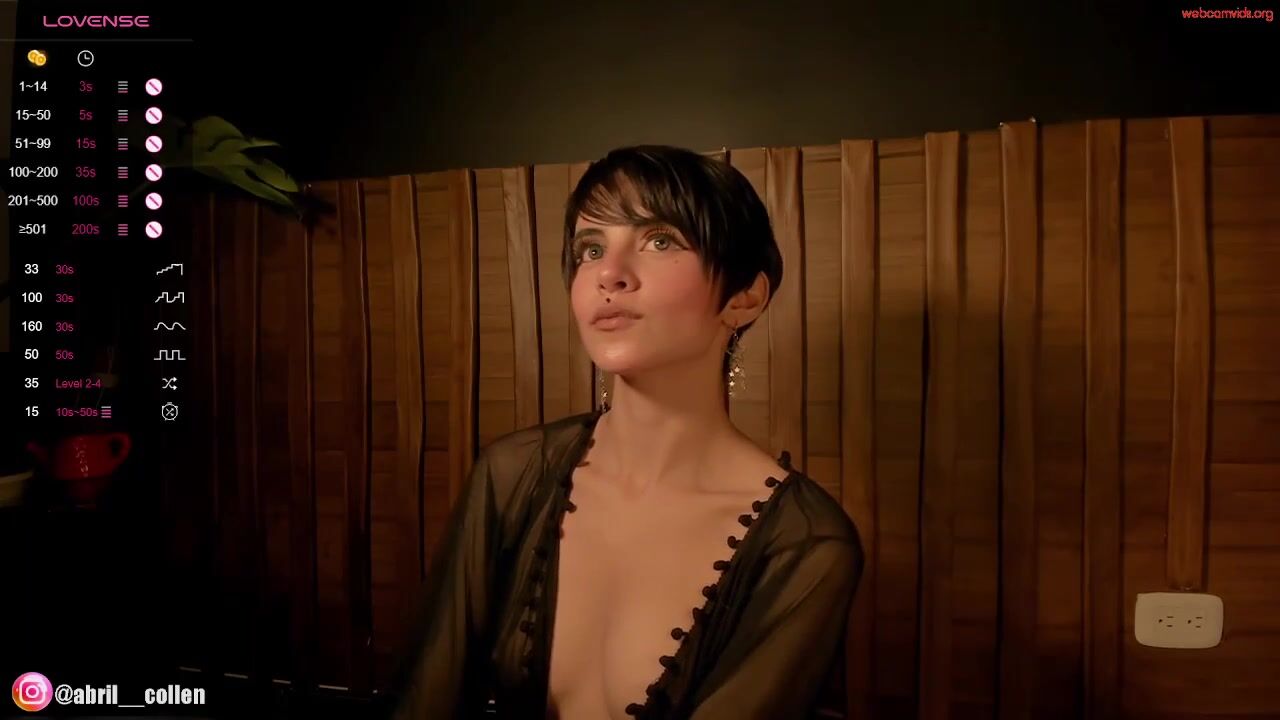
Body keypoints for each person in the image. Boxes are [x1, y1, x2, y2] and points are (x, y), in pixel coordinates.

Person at [384, 145, 863, 720]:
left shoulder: (805, 543)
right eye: (590, 249)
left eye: (659, 241)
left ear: (744, 297)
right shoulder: (513, 474)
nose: (608, 274)